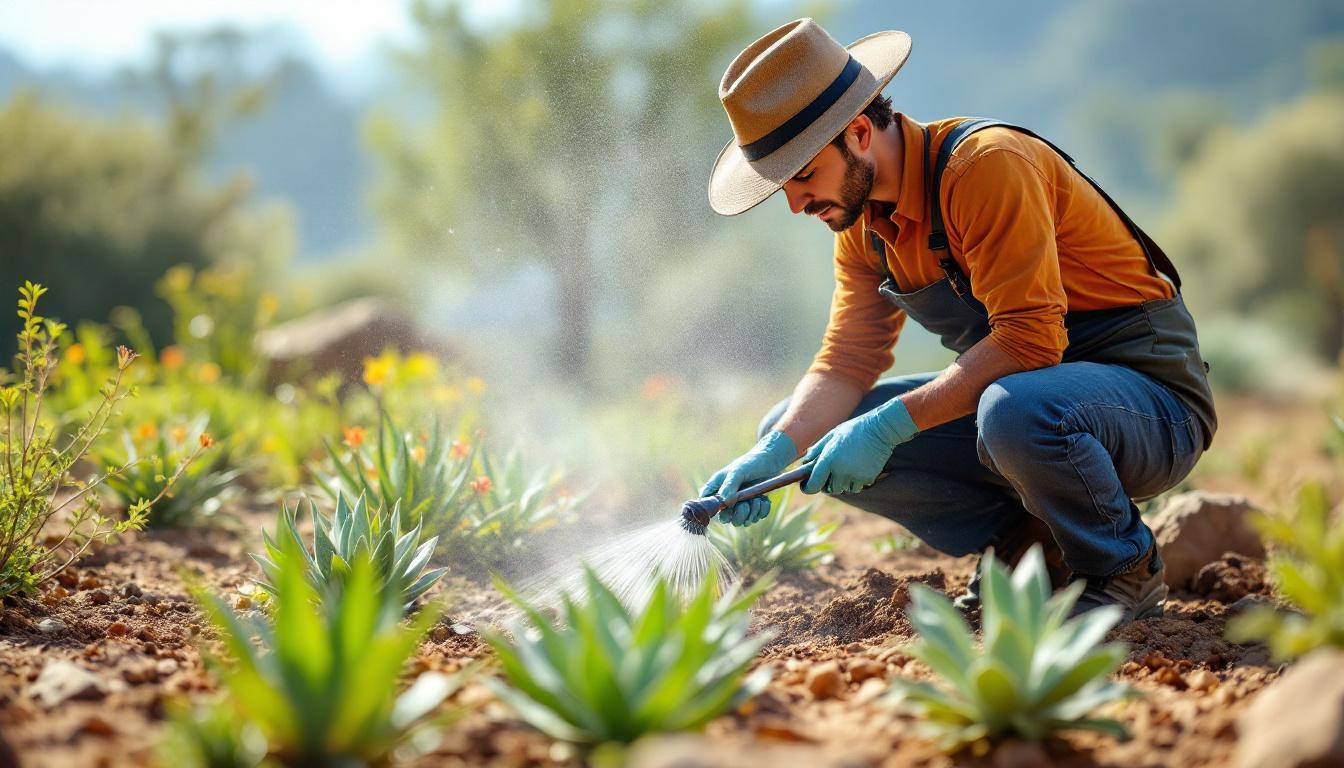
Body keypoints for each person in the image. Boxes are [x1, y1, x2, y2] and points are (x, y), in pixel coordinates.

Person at [701, 18, 1217, 622]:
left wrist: (892, 426)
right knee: (800, 427)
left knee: (1013, 410)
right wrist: (772, 451)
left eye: (804, 177)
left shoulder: (985, 167)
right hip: (1029, 404)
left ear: (860, 132)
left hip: (1152, 404)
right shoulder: (862, 226)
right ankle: (1031, 545)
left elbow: (1029, 340)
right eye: (781, 186)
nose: (794, 204)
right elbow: (846, 360)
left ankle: (1122, 566)